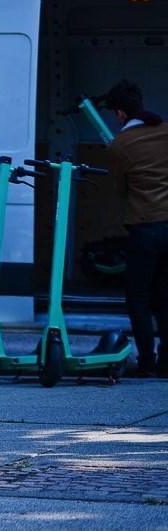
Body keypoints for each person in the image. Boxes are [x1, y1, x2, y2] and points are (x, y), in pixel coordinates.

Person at [104, 80, 168, 378]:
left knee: (139, 297)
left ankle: (147, 361)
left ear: (119, 114)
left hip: (144, 228)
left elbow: (118, 190)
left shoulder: (119, 145)